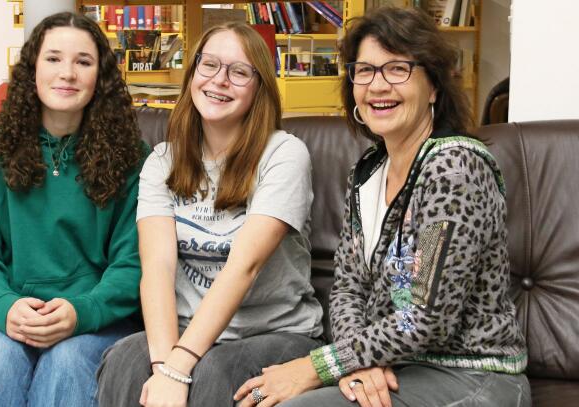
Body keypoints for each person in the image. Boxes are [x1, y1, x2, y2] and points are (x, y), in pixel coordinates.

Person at [233, 7, 530, 407]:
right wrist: (357, 364)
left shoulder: (452, 170)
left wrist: (318, 367)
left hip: (470, 374)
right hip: (397, 366)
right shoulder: (368, 171)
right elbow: (347, 288)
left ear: (434, 87)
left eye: (397, 70)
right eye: (365, 71)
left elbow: (426, 315)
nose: (378, 86)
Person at [96, 21, 324, 407]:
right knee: (125, 360)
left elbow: (244, 268)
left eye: (239, 72)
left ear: (259, 88)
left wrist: (178, 366)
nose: (220, 81)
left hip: (275, 333)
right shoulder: (162, 160)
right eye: (210, 65)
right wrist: (161, 363)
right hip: (185, 329)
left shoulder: (284, 154)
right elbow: (158, 269)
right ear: (193, 73)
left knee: (213, 371)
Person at [0, 12, 146, 407]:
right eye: (53, 58)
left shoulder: (133, 158)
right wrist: (5, 307)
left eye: (83, 62)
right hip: (15, 311)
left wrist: (83, 311)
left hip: (97, 317)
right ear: (32, 69)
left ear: (101, 77)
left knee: (68, 359)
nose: (67, 73)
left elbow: (135, 262)